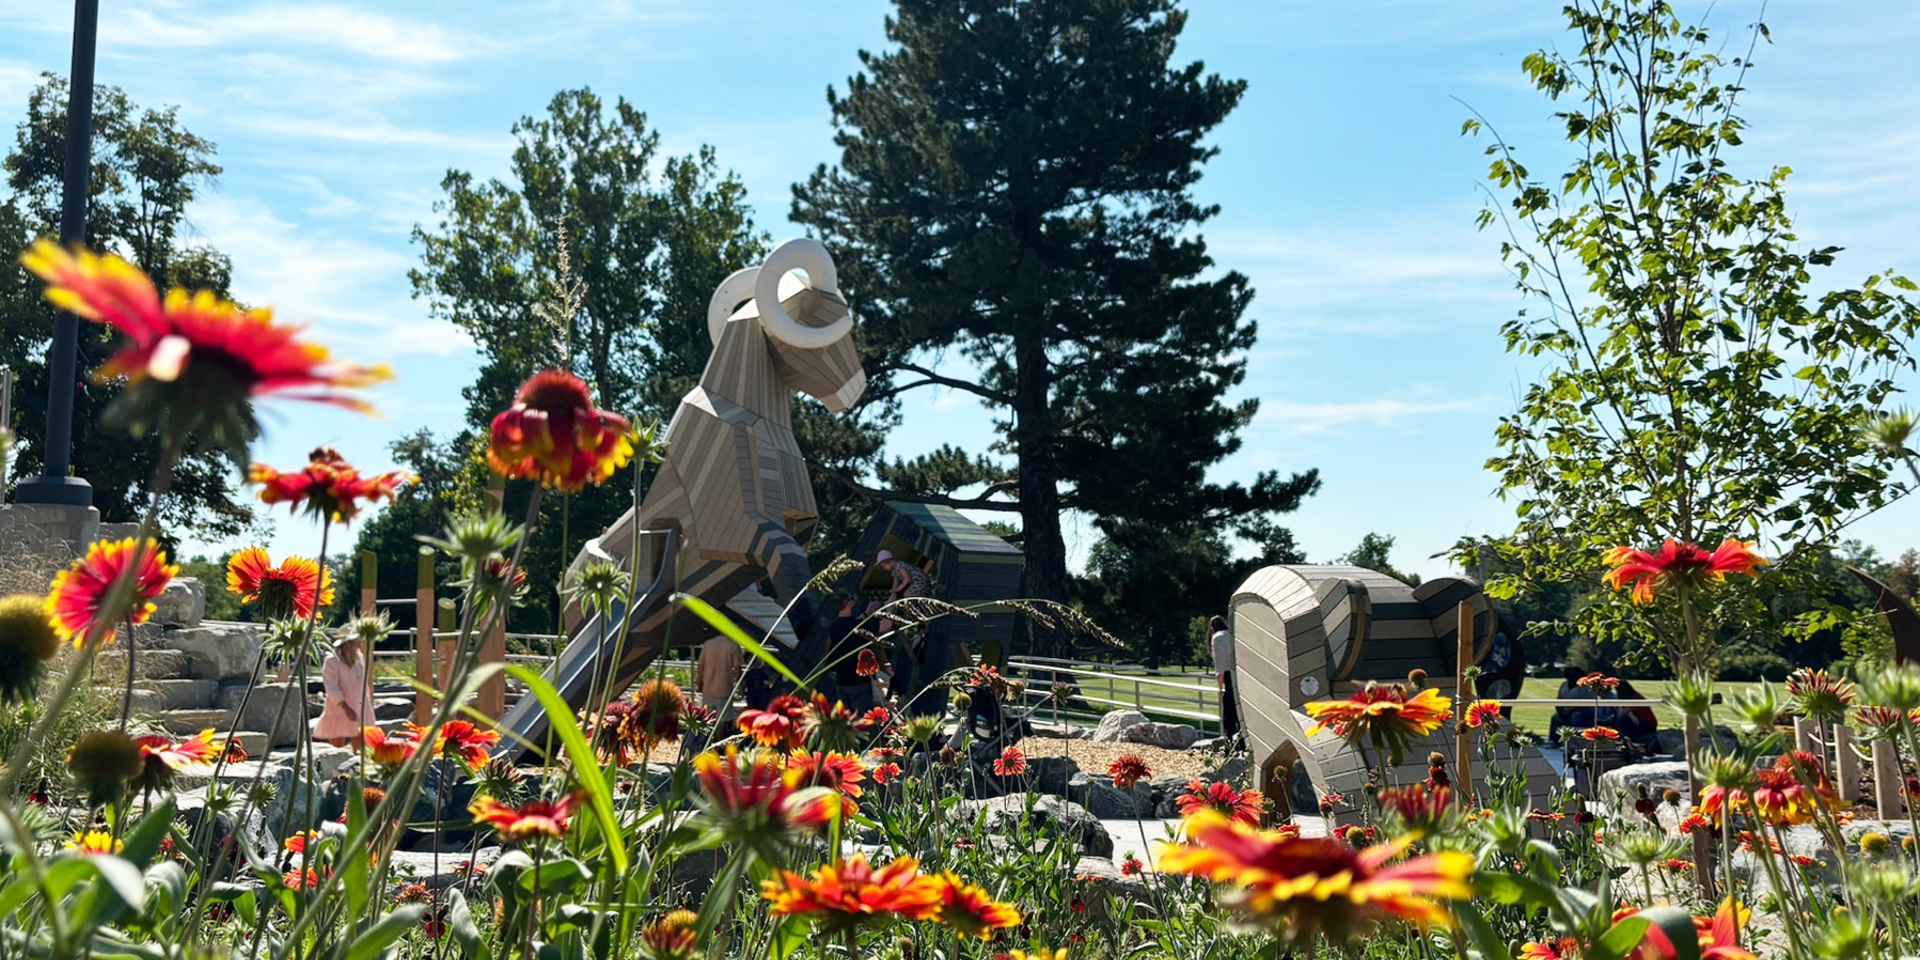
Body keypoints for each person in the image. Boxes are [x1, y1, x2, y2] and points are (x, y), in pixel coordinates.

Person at [823, 591, 885, 712]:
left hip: (841, 681)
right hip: (858, 681)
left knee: (848, 718)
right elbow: (886, 625)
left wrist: (867, 613)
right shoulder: (857, 626)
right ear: (848, 603)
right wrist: (891, 606)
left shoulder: (834, 626)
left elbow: (852, 625)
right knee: (862, 720)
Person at [313, 633, 372, 748]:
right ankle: (337, 761)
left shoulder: (359, 658)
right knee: (337, 739)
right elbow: (331, 686)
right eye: (357, 641)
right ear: (348, 643)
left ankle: (357, 761)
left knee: (360, 736)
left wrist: (367, 700)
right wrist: (346, 707)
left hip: (359, 703)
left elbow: (363, 682)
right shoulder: (332, 661)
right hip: (340, 707)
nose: (360, 643)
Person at [697, 634, 745, 713]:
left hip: (708, 689)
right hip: (725, 689)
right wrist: (741, 688)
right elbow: (737, 670)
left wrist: (699, 683)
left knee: (707, 718)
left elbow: (700, 667)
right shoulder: (733, 645)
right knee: (725, 719)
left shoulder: (708, 644)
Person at [1210, 615, 1240, 738]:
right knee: (1240, 714)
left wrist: (1220, 688)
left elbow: (1220, 665)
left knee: (1229, 715)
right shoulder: (1233, 634)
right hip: (1239, 674)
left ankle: (1229, 743)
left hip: (1229, 677)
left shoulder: (1217, 638)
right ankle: (1243, 743)